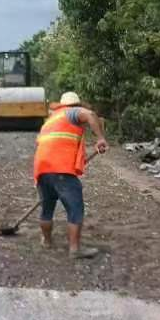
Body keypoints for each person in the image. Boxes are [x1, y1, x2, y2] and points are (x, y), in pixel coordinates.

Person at [33, 92, 108, 259]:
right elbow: (90, 115)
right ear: (76, 105)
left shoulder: (51, 120)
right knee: (75, 208)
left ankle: (46, 241)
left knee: (47, 206)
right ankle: (75, 249)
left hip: (42, 169)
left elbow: (56, 145)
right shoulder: (72, 112)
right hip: (60, 169)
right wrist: (101, 138)